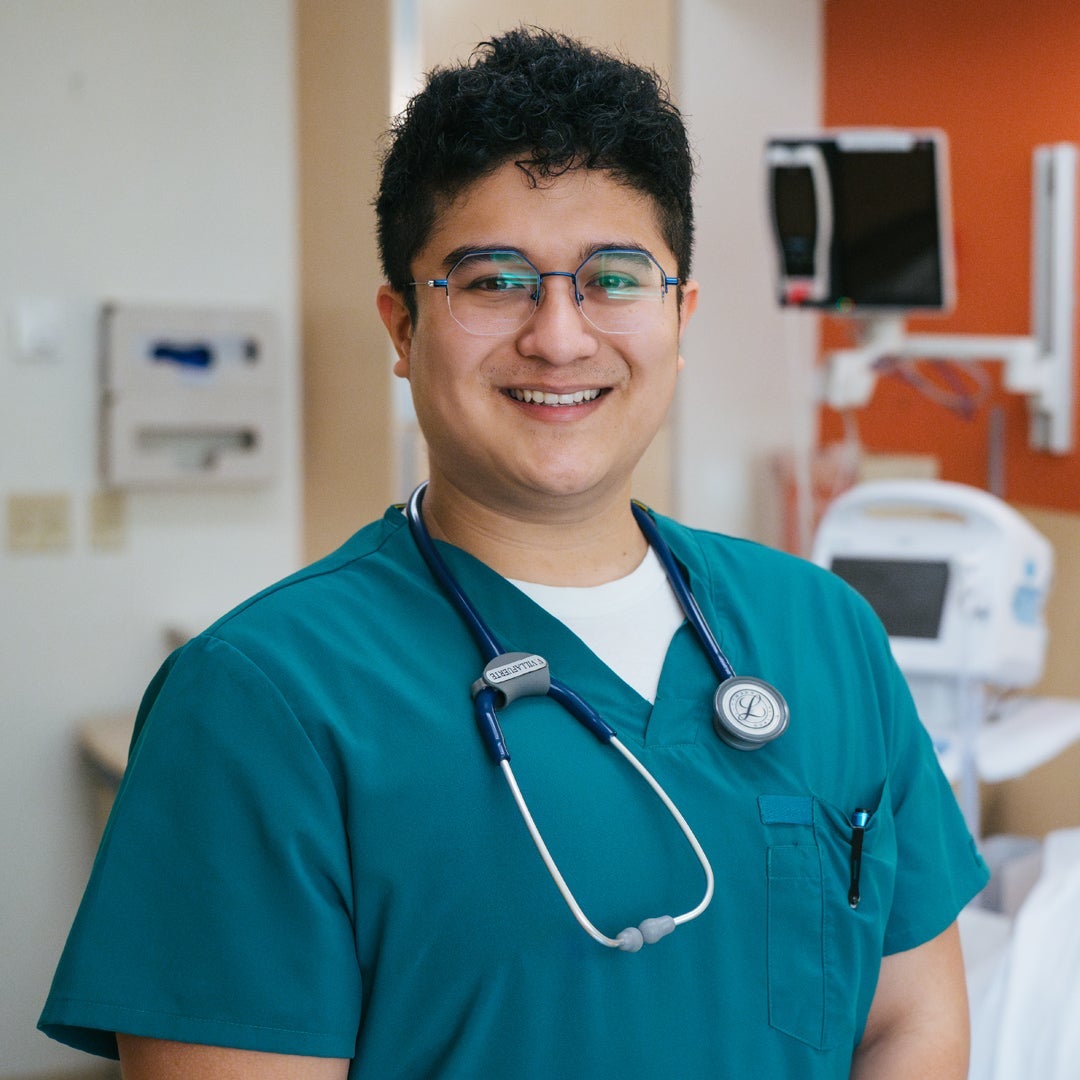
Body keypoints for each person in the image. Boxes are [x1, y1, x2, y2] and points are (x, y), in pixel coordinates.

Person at [40, 27, 988, 1078]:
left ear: (680, 317)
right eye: (493, 280)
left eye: (615, 279)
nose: (560, 335)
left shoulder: (823, 632)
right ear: (401, 329)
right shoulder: (261, 701)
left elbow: (914, 1022)